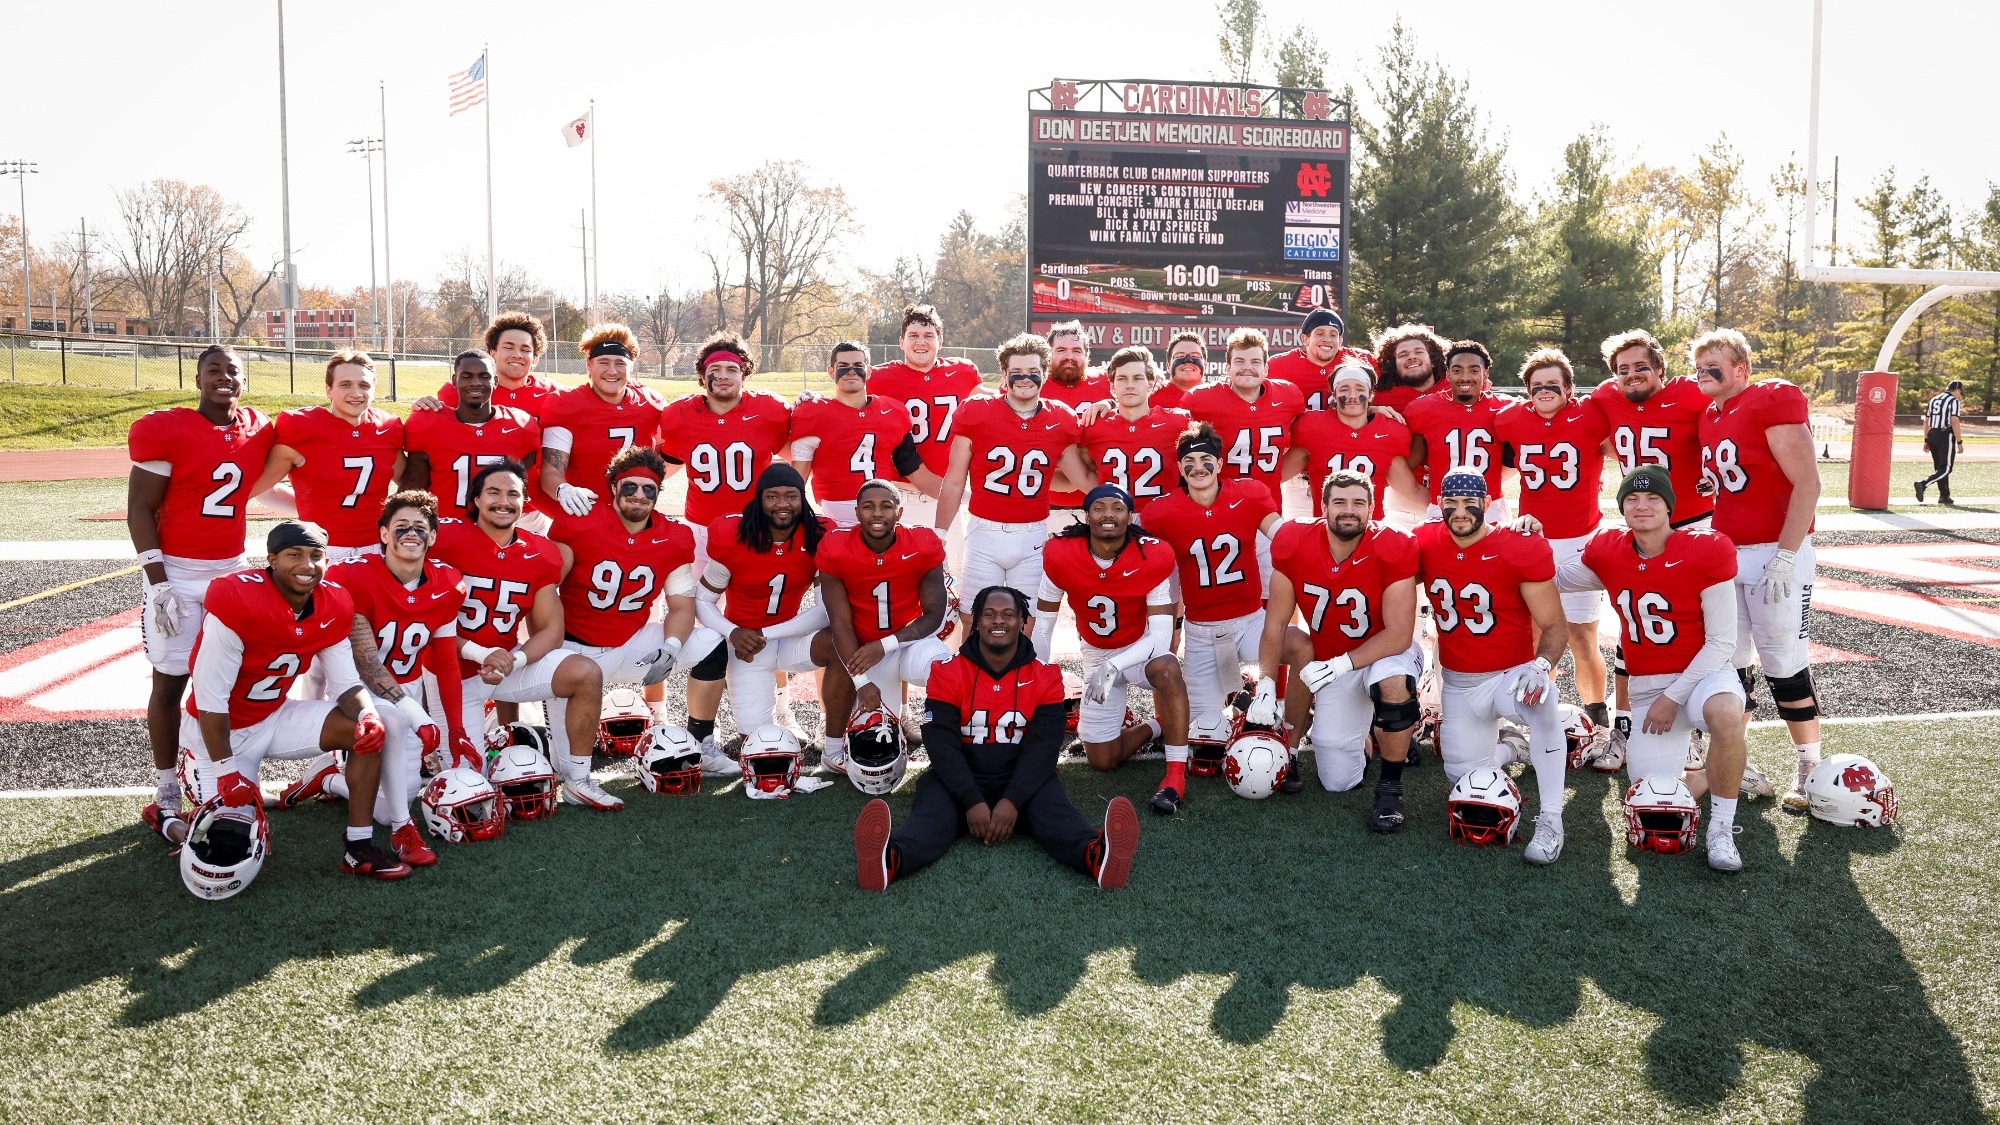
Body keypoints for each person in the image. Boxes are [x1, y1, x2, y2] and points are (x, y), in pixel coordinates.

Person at [851, 585, 1139, 892]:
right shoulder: (947, 672)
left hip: (1023, 781)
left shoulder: (1046, 675)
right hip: (958, 780)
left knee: (1057, 818)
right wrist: (971, 799)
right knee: (930, 821)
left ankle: (1096, 856)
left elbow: (1043, 749)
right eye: (989, 614)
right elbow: (941, 744)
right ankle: (889, 860)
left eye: (1008, 614)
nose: (998, 620)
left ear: (1022, 621)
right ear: (976, 621)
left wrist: (1012, 801)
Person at [1543, 467, 1757, 872]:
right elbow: (1551, 578)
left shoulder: (1705, 549)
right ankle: (1707, 774)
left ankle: (1722, 830)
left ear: (1669, 506)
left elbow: (1721, 644)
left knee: (1726, 716)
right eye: (1632, 499)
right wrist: (1524, 541)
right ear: (1622, 507)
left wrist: (1672, 697)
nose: (1642, 506)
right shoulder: (1608, 549)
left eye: (1652, 498)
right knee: (1653, 803)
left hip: (1703, 675)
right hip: (1647, 685)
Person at [176, 520, 410, 881]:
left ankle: (358, 848)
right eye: (294, 555)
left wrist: (366, 714)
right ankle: (172, 820)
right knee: (226, 845)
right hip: (220, 733)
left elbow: (347, 684)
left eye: (316, 556)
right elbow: (211, 701)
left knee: (381, 722)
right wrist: (226, 772)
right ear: (272, 559)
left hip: (274, 715)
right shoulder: (237, 598)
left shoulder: (333, 602)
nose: (306, 565)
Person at [128, 345, 278, 845]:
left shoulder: (257, 426)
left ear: (244, 381)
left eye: (233, 371)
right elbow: (139, 510)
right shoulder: (167, 429)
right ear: (197, 379)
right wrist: (158, 582)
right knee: (171, 681)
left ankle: (231, 774)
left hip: (229, 572)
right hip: (176, 570)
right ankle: (166, 788)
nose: (224, 377)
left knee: (229, 682)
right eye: (214, 370)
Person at [284, 492, 477, 868]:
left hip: (408, 686)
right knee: (391, 721)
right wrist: (416, 714)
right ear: (384, 534)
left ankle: (329, 779)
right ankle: (404, 830)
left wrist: (454, 728)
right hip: (355, 689)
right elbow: (367, 663)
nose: (411, 533)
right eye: (401, 526)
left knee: (391, 805)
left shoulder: (449, 582)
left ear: (433, 537)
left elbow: (445, 662)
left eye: (420, 527)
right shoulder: (351, 575)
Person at [430, 461, 615, 810]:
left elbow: (551, 630)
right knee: (469, 790)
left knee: (585, 672)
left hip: (504, 665)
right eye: (494, 493)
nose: (504, 501)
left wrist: (512, 660)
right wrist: (480, 654)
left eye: (513, 494)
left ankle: (578, 780)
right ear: (476, 499)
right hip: (452, 672)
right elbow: (422, 624)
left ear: (525, 501)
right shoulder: (443, 538)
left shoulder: (539, 551)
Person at [1692, 329, 1826, 812]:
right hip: (1729, 551)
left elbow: (1808, 484)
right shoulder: (1710, 415)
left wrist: (1787, 555)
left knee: (1783, 661)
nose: (1704, 374)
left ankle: (1809, 764)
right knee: (1729, 662)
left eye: (1714, 366)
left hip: (1776, 550)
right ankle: (1734, 759)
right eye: (1699, 367)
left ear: (1741, 369)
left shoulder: (1772, 397)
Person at [1415, 467, 1570, 864]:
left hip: (1509, 678)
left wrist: (1541, 665)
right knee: (1466, 784)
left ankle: (1551, 819)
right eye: (1451, 503)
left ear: (1487, 503)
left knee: (1542, 700)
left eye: (1470, 502)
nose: (1460, 511)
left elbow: (1555, 624)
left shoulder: (1518, 545)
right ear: (1439, 505)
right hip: (1459, 685)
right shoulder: (1424, 542)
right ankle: (1510, 748)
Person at [1255, 470, 1421, 830]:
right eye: (1340, 502)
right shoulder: (1294, 541)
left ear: (1372, 509)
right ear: (1323, 506)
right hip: (1334, 660)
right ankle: (1368, 735)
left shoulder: (1393, 543)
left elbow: (1398, 635)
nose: (1349, 510)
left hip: (1385, 654)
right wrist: (1265, 681)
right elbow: (1276, 623)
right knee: (1337, 781)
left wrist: (1341, 664)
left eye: (1359, 503)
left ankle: (1390, 789)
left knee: (1393, 684)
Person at [656, 333, 798, 743]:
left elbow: (795, 458)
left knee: (766, 616)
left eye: (731, 369)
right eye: (713, 370)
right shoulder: (680, 414)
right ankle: (699, 718)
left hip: (756, 531)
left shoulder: (770, 409)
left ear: (745, 373)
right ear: (702, 376)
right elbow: (664, 462)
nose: (722, 376)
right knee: (704, 621)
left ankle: (782, 707)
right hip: (702, 531)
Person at [1594, 329, 1716, 755]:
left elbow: (1729, 417)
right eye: (1623, 369)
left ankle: (1694, 730)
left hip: (1693, 524)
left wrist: (1708, 468)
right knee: (1633, 626)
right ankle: (1623, 725)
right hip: (1642, 528)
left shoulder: (1689, 393)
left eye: (1641, 366)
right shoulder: (1607, 396)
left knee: (1696, 630)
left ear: (1661, 367)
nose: (1632, 375)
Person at [545, 446, 720, 737]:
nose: (639, 495)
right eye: (630, 486)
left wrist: (671, 647)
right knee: (565, 754)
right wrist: (550, 648)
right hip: (572, 648)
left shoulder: (674, 537)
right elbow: (545, 591)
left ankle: (703, 741)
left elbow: (681, 605)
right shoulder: (580, 521)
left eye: (649, 489)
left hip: (630, 644)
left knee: (712, 644)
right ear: (614, 487)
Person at [1032, 485, 1187, 809]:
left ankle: (1175, 777)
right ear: (1086, 515)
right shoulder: (1061, 553)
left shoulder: (1150, 554)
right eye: (1099, 507)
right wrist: (1037, 680)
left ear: (1129, 516)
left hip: (1140, 650)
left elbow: (1160, 639)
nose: (1108, 515)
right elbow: (1043, 626)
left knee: (1169, 669)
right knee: (1102, 760)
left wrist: (1114, 665)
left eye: (1117, 508)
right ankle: (1159, 725)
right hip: (1096, 654)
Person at [934, 332, 1095, 632]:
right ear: (1004, 374)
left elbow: (1082, 480)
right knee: (973, 619)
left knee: (1028, 622)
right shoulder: (976, 411)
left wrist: (1124, 498)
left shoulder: (1060, 419)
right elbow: (954, 481)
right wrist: (940, 534)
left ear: (1045, 373)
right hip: (984, 533)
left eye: (1033, 371)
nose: (1024, 378)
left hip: (1033, 535)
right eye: (1016, 372)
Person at [1140, 423, 1291, 726]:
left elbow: (1286, 539)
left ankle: (1292, 727)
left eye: (1205, 460)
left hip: (1250, 622)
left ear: (1220, 464)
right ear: (1180, 469)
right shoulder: (1161, 513)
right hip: (1201, 632)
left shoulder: (1248, 495)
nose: (1198, 467)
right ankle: (1237, 703)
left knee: (1304, 647)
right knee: (1203, 731)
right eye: (1189, 462)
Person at [1495, 348, 1611, 732]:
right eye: (1537, 385)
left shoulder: (1591, 414)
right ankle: (1532, 714)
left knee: (1582, 636)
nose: (1544, 391)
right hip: (1535, 542)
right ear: (1527, 389)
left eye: (1553, 385)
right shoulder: (1511, 417)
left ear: (1569, 388)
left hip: (1581, 542)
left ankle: (1597, 718)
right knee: (1532, 635)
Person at [693, 464, 842, 751]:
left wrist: (766, 633)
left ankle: (836, 736)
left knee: (841, 641)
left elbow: (827, 610)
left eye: (791, 496)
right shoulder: (735, 535)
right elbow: (702, 600)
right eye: (773, 496)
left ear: (802, 499)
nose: (782, 504)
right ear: (759, 499)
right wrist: (733, 632)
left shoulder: (818, 534)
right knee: (757, 746)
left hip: (787, 640)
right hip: (746, 648)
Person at [815, 480, 953, 773]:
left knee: (945, 670)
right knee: (877, 739)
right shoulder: (836, 547)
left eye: (886, 506)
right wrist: (861, 682)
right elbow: (839, 622)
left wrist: (887, 643)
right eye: (868, 506)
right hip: (864, 652)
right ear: (856, 512)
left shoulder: (922, 543)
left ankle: (948, 746)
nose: (877, 513)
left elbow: (934, 615)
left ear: (899, 512)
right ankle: (833, 750)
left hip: (907, 644)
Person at [411, 313, 562, 530]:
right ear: (493, 352)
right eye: (508, 347)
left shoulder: (555, 394)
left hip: (528, 505)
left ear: (535, 358)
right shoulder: (461, 391)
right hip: (463, 504)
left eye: (525, 349)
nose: (517, 354)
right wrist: (423, 405)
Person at [256, 351, 405, 560]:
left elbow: (408, 482)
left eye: (364, 385)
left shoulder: (388, 427)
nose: (356, 393)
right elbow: (260, 488)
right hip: (322, 548)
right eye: (345, 384)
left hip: (378, 547)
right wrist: (306, 510)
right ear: (329, 390)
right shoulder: (302, 427)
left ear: (374, 389)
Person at [868, 304, 988, 563]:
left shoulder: (962, 372)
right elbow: (845, 399)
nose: (920, 342)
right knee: (895, 574)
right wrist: (808, 397)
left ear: (940, 341)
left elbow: (997, 401)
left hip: (945, 498)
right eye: (913, 335)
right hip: (896, 495)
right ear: (901, 341)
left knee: (954, 572)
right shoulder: (878, 377)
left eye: (928, 336)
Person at [791, 341, 934, 526]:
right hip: (835, 518)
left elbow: (912, 468)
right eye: (843, 366)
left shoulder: (893, 411)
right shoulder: (813, 411)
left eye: (858, 365)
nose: (851, 371)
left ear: (869, 371)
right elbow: (795, 480)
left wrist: (959, 495)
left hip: (882, 516)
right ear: (831, 372)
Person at [538, 323, 668, 523]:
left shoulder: (651, 402)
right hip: (585, 514)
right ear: (589, 365)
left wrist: (646, 485)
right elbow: (551, 471)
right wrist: (564, 489)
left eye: (620, 363)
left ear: (631, 366)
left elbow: (670, 456)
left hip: (635, 517)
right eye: (604, 362)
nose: (612, 371)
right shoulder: (566, 403)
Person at [1184, 327, 1308, 514]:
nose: (1247, 367)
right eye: (1239, 361)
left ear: (1266, 369)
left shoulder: (1288, 395)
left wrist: (1275, 477)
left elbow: (1306, 438)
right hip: (1219, 507)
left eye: (1255, 361)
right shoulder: (1200, 399)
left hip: (1268, 507)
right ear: (1228, 368)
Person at [400, 350, 542, 513]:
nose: (475, 383)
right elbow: (412, 489)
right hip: (444, 524)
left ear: (495, 381)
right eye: (467, 376)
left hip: (498, 524)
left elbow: (525, 483)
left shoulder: (521, 425)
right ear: (455, 380)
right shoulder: (428, 423)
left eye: (484, 376)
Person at [1280, 363, 1420, 519]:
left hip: (1371, 527)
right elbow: (1277, 476)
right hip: (1325, 526)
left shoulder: (1390, 432)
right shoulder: (1312, 427)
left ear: (1371, 395)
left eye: (1360, 389)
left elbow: (1411, 490)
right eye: (1344, 389)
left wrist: (1439, 506)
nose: (1352, 395)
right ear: (1334, 395)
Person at [1403, 340, 1511, 523]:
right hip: (1442, 506)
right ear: (1448, 374)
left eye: (1474, 370)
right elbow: (1404, 459)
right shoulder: (1422, 409)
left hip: (1490, 506)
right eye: (1457, 370)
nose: (1465, 377)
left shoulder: (1505, 407)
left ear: (1485, 374)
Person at [1079, 345, 1191, 507]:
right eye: (1122, 378)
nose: (1130, 385)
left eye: (1137, 378)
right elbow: (1084, 470)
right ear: (1112, 387)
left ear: (1150, 384)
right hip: (1114, 518)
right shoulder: (1093, 426)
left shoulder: (1178, 422)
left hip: (1164, 517)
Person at [1038, 320, 1113, 521]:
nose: (1069, 356)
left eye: (1077, 350)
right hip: (1044, 503)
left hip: (1098, 502)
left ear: (1087, 355)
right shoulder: (1034, 385)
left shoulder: (1107, 381)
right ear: (1049, 354)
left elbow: (1141, 390)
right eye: (1061, 350)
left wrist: (1110, 402)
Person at [1267, 307, 1377, 411]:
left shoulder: (1361, 359)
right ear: (1305, 339)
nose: (1327, 339)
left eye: (1333, 335)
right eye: (1320, 334)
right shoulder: (1278, 365)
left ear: (1340, 341)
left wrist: (1370, 410)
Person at [1368, 323, 1450, 416]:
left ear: (1433, 360)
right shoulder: (1380, 400)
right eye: (1403, 355)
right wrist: (1368, 411)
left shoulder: (1453, 386)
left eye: (1419, 352)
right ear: (1393, 365)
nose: (1411, 357)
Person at [1917, 380, 1965, 504]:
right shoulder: (1954, 401)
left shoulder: (1934, 399)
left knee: (1940, 467)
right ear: (1956, 390)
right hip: (1945, 435)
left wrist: (1926, 439)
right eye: (1960, 392)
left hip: (1932, 434)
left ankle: (1944, 495)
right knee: (1946, 468)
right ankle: (1923, 484)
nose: (1960, 395)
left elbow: (1926, 421)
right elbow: (1954, 421)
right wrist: (1959, 441)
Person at [1150, 331, 1209, 410]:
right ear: (1168, 366)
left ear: (1205, 366)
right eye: (1180, 356)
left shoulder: (1217, 398)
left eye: (1195, 356)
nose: (1188, 360)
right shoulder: (1149, 396)